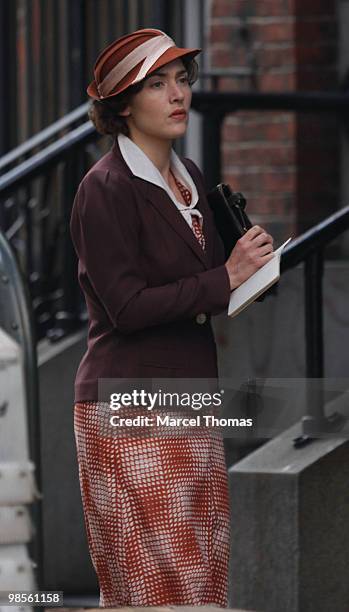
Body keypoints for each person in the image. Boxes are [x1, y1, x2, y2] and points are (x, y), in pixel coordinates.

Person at [69, 28, 274, 608]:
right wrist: (224, 277)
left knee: (202, 583)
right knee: (158, 591)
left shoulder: (190, 180)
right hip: (128, 404)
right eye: (156, 84)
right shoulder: (104, 188)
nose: (176, 93)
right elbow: (127, 308)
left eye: (181, 80)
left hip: (192, 400)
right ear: (123, 105)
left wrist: (250, 273)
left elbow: (202, 291)